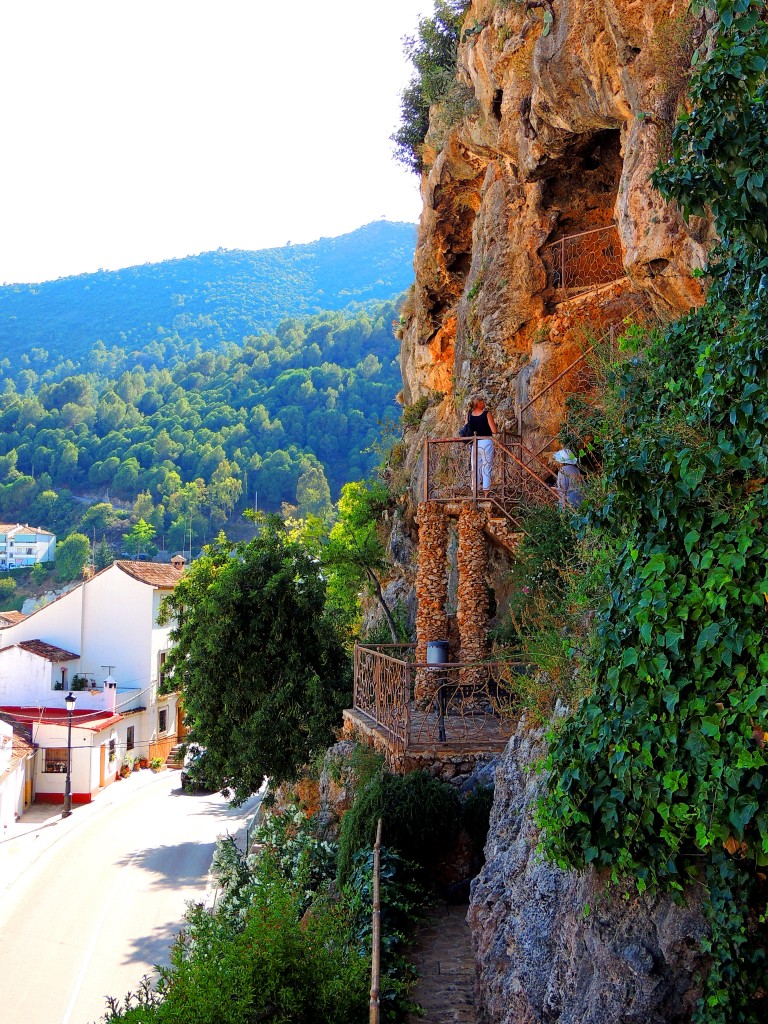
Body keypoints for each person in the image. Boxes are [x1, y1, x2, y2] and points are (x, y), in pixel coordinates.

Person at [463, 397, 497, 495]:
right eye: (483, 403)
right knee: (486, 467)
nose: (484, 404)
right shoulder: (487, 414)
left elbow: (466, 428)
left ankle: (475, 492)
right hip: (486, 442)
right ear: (478, 404)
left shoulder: (469, 415)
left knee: (475, 467)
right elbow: (494, 430)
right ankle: (486, 492)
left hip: (474, 443)